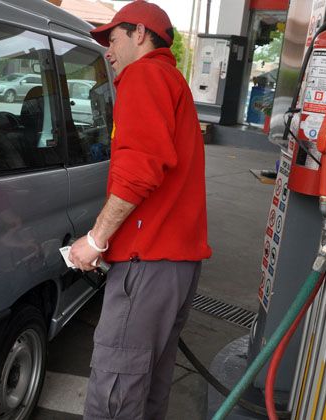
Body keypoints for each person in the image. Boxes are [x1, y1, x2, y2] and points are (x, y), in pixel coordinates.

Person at [68, 1, 212, 419]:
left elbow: (139, 171)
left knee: (116, 388)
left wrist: (95, 240)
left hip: (146, 265)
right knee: (148, 386)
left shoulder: (144, 76)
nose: (108, 52)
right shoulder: (172, 80)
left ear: (140, 34)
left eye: (112, 39)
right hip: (176, 267)